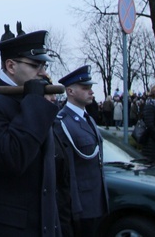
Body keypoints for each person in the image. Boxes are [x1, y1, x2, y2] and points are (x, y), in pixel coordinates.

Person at [0, 29, 61, 236]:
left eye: (44, 66)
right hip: (3, 228)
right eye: (35, 66)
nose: (43, 73)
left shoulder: (34, 99)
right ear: (11, 66)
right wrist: (35, 104)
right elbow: (12, 157)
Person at [53, 66, 108, 237]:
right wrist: (75, 206)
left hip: (96, 200)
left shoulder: (88, 118)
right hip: (80, 205)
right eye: (85, 88)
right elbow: (67, 171)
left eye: (90, 88)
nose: (91, 92)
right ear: (70, 91)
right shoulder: (62, 122)